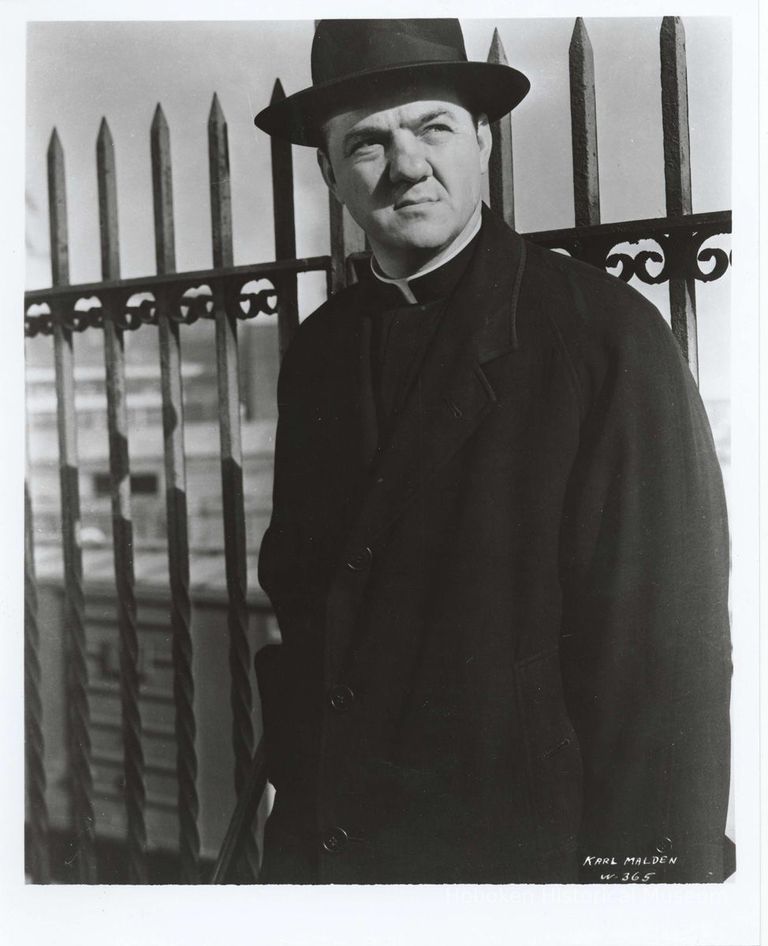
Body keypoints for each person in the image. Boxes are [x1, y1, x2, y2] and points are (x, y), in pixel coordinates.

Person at [252, 18, 733, 884]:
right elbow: (307, 603)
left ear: (482, 137)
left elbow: (665, 664)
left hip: (521, 872)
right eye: (366, 143)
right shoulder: (318, 354)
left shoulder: (603, 339)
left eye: (432, 127)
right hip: (338, 865)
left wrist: (647, 898)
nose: (405, 167)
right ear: (327, 172)